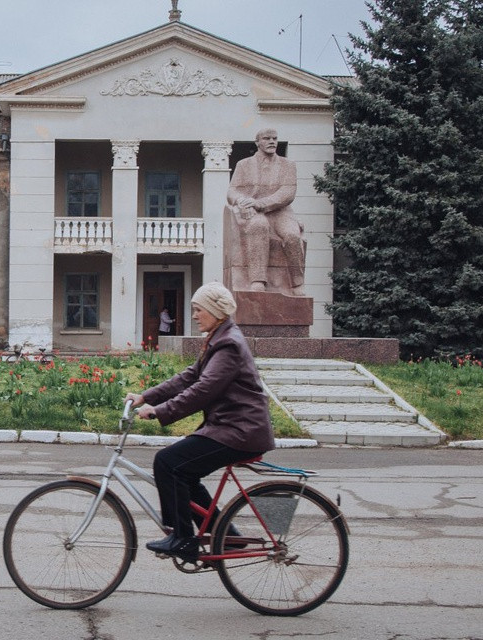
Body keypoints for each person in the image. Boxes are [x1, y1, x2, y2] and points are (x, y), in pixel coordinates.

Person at [124, 282, 275, 562]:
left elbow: (203, 390)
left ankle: (183, 539)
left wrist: (160, 411)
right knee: (184, 473)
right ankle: (226, 537)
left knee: (168, 462)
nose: (194, 315)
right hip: (232, 427)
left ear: (216, 311)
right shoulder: (220, 338)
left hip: (240, 431)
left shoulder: (228, 343)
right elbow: (188, 377)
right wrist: (145, 397)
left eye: (198, 309)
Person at [226, 128, 306, 295]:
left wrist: (259, 203)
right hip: (254, 213)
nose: (272, 142)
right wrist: (241, 201)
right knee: (258, 226)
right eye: (267, 138)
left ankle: (297, 282)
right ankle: (258, 280)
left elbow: (287, 194)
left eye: (275, 138)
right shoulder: (244, 165)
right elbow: (231, 192)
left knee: (292, 236)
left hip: (280, 212)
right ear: (258, 143)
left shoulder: (288, 165)